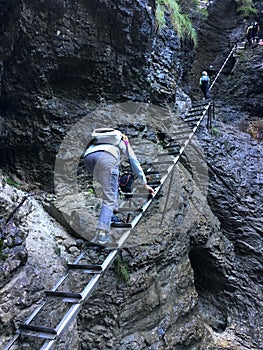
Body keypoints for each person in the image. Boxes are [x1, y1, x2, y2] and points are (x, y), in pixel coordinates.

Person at [83, 128, 155, 247]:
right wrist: (144, 183)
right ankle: (102, 234)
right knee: (110, 196)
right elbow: (133, 161)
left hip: (88, 158)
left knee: (111, 185)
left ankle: (110, 214)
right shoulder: (122, 140)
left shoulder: (102, 139)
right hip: (106, 158)